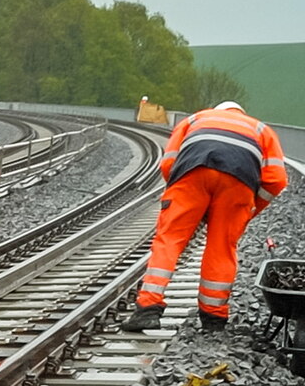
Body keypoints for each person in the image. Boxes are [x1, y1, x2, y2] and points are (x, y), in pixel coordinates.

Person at [122, 102, 288, 332]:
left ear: (217, 110)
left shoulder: (194, 120)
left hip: (191, 174)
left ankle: (147, 310)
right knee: (222, 247)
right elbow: (277, 179)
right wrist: (250, 208)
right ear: (240, 113)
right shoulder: (261, 130)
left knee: (169, 241)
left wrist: (180, 194)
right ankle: (213, 318)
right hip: (238, 183)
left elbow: (169, 162)